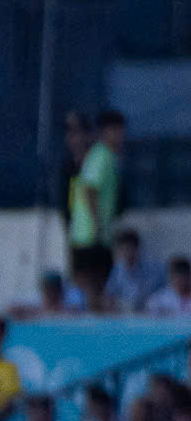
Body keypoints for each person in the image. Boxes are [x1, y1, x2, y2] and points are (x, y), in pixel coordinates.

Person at [68, 111, 125, 304]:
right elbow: (90, 189)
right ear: (105, 132)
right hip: (91, 235)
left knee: (99, 287)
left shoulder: (105, 156)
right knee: (93, 286)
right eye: (116, 131)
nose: (120, 136)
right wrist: (97, 224)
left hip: (95, 234)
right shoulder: (101, 155)